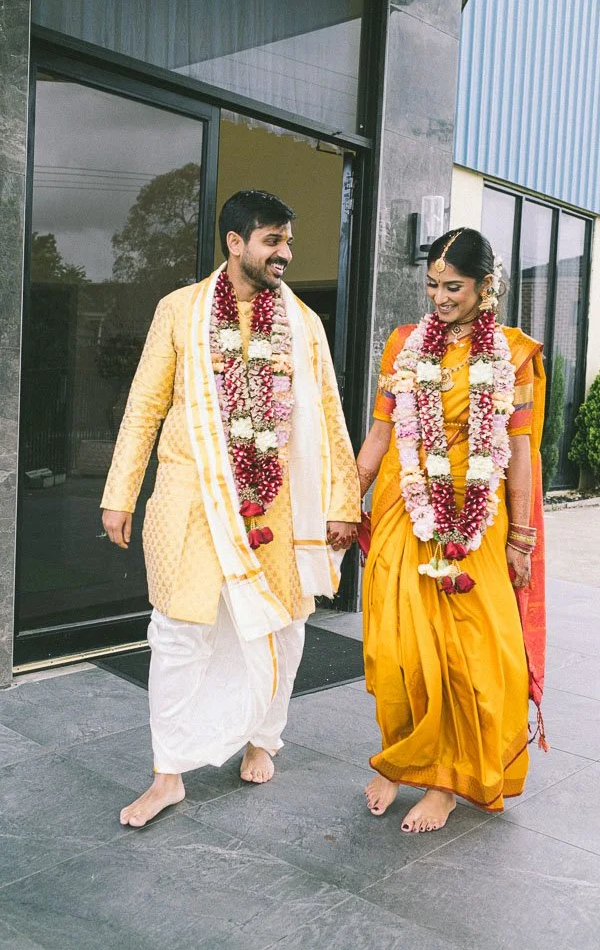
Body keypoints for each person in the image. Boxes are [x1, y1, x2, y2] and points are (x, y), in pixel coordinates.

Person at [101, 190, 360, 827]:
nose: (285, 255)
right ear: (235, 243)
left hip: (275, 501)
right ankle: (168, 774)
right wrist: (119, 493)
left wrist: (343, 502)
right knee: (179, 630)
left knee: (282, 624)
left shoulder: (303, 324)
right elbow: (144, 407)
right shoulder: (180, 311)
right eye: (273, 241)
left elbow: (329, 417)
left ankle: (262, 737)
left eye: (288, 242)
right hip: (190, 496)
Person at [357, 228, 547, 833]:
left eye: (454, 287)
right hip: (405, 510)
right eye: (432, 285)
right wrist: (344, 501)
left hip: (477, 518)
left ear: (485, 286)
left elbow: (519, 451)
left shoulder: (511, 354)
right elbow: (382, 435)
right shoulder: (403, 345)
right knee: (398, 651)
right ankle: (402, 758)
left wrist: (521, 537)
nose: (439, 297)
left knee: (471, 652)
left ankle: (443, 779)